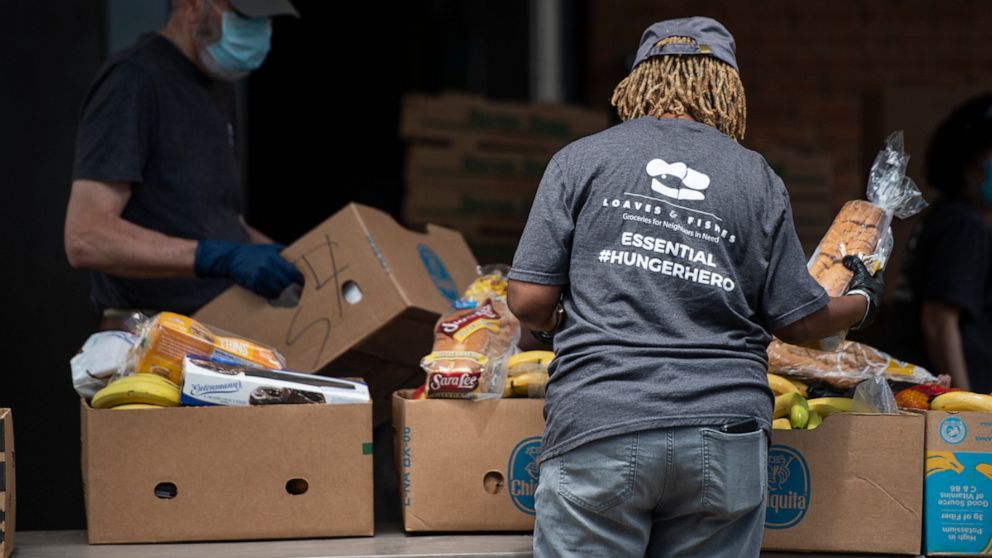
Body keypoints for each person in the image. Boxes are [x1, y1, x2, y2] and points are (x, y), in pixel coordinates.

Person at [506, 17, 883, 557]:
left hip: (601, 420)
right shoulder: (755, 178)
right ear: (725, 86)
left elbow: (528, 300)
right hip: (722, 431)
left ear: (640, 81)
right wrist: (863, 299)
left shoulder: (581, 159)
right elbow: (798, 321)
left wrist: (558, 323)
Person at [64, 0, 303, 327]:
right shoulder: (134, 80)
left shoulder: (218, 84)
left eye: (266, 21)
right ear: (190, 5)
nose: (260, 31)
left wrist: (296, 261)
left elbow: (217, 220)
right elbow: (86, 237)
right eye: (245, 18)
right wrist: (213, 257)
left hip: (214, 329)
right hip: (149, 338)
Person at [879, 95, 992, 392]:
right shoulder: (964, 225)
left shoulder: (944, 217)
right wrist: (966, 410)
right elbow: (939, 322)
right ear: (971, 165)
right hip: (942, 407)